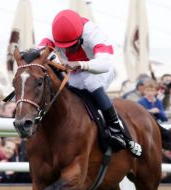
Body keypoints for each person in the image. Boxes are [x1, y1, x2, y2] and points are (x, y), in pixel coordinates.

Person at [37, 9, 142, 157]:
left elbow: (105, 64)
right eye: (64, 46)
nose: (67, 50)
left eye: (71, 45)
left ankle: (116, 130)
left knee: (91, 82)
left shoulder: (93, 32)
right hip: (74, 73)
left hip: (99, 70)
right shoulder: (53, 34)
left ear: (80, 36)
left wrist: (81, 64)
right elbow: (37, 52)